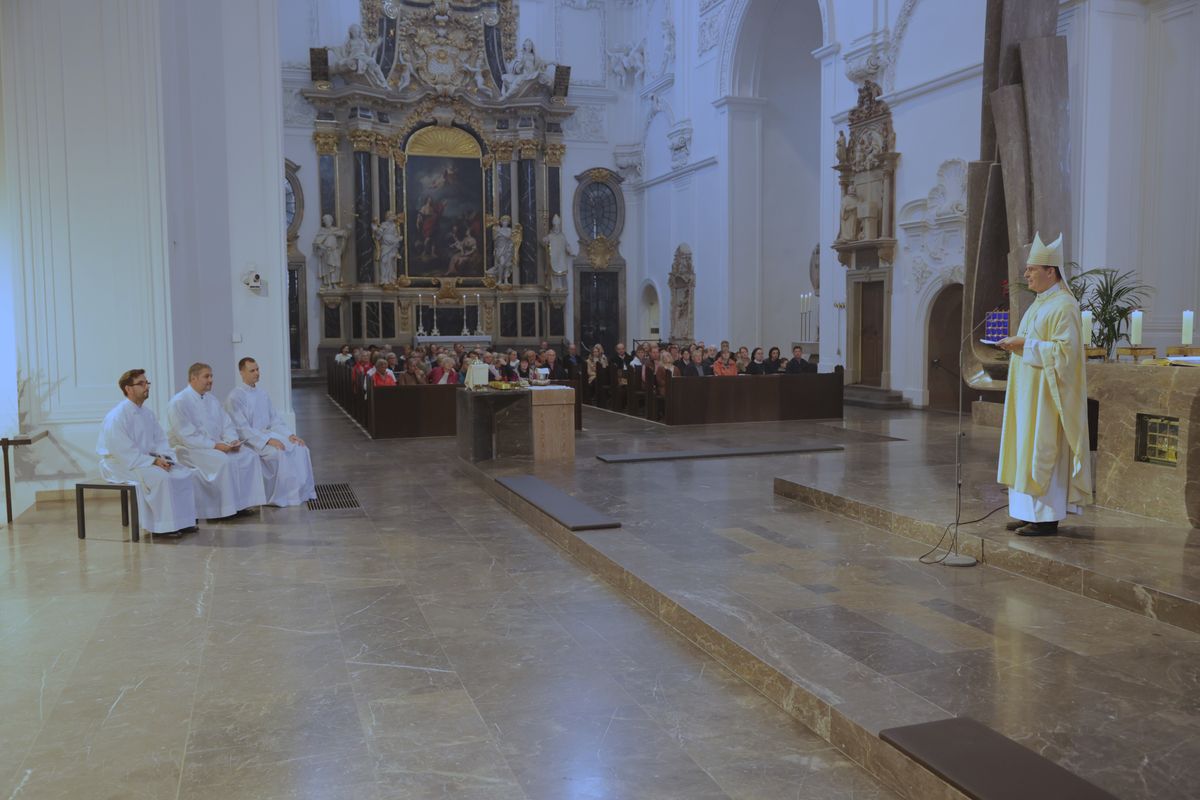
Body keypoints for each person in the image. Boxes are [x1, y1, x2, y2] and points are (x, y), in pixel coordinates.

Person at [996, 233, 1092, 536]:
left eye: (1031, 269)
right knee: (1024, 449)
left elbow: (1066, 353)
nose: (1026, 275)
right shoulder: (1039, 303)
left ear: (1051, 271)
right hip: (1028, 394)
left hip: (1048, 398)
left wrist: (1024, 344)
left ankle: (1046, 519)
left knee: (1042, 451)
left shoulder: (1064, 305)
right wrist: (1018, 345)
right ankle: (1027, 513)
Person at [97, 369, 199, 536]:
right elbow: (122, 450)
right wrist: (153, 462)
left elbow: (160, 440)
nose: (146, 387)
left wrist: (164, 458)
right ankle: (163, 527)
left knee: (183, 472)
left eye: (147, 383)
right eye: (141, 383)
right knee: (160, 478)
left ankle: (183, 521)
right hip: (119, 464)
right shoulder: (117, 416)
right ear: (128, 389)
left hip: (144, 460)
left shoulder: (147, 413)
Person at [167, 362, 266, 519]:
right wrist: (215, 445)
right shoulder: (179, 402)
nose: (211, 380)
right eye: (206, 376)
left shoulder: (211, 400)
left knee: (249, 456)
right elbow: (187, 436)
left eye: (211, 376)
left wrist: (232, 440)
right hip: (191, 449)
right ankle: (225, 510)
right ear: (193, 378)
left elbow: (226, 424)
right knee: (224, 461)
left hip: (217, 445)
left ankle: (242, 504)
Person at [225, 358, 317, 508]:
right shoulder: (235, 397)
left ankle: (300, 493)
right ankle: (282, 496)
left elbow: (274, 419)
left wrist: (289, 435)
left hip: (268, 434)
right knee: (278, 453)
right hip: (251, 441)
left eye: (257, 369)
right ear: (242, 372)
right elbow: (242, 429)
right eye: (252, 370)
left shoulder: (262, 393)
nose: (257, 373)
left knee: (300, 447)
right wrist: (267, 441)